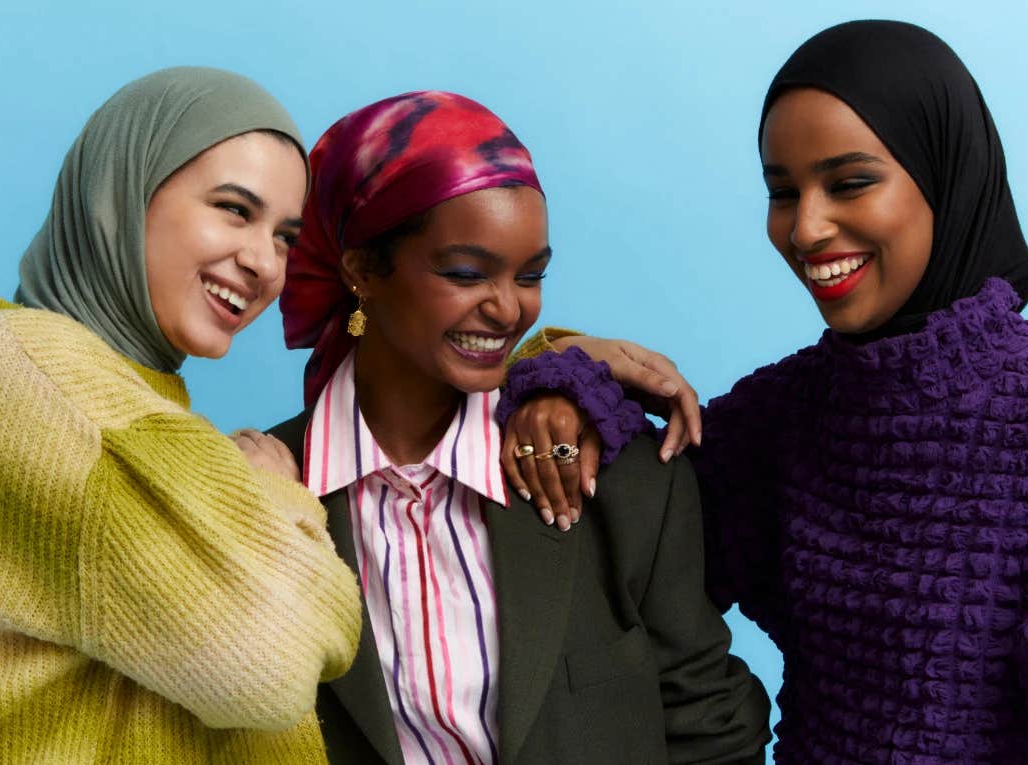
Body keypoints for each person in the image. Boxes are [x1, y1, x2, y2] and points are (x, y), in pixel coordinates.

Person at [501, 21, 1028, 764]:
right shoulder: (783, 419)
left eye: (849, 183)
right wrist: (561, 373)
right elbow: (637, 550)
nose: (806, 228)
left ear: (942, 176)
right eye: (783, 192)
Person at [265, 90, 771, 765]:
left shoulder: (620, 476)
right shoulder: (262, 495)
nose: (509, 309)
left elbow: (711, 727)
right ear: (361, 270)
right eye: (467, 272)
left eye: (531, 274)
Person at [0, 67, 361, 764]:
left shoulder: (123, 397)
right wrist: (277, 495)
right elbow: (274, 662)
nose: (264, 262)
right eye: (234, 209)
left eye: (286, 237)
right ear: (125, 194)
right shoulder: (39, 382)